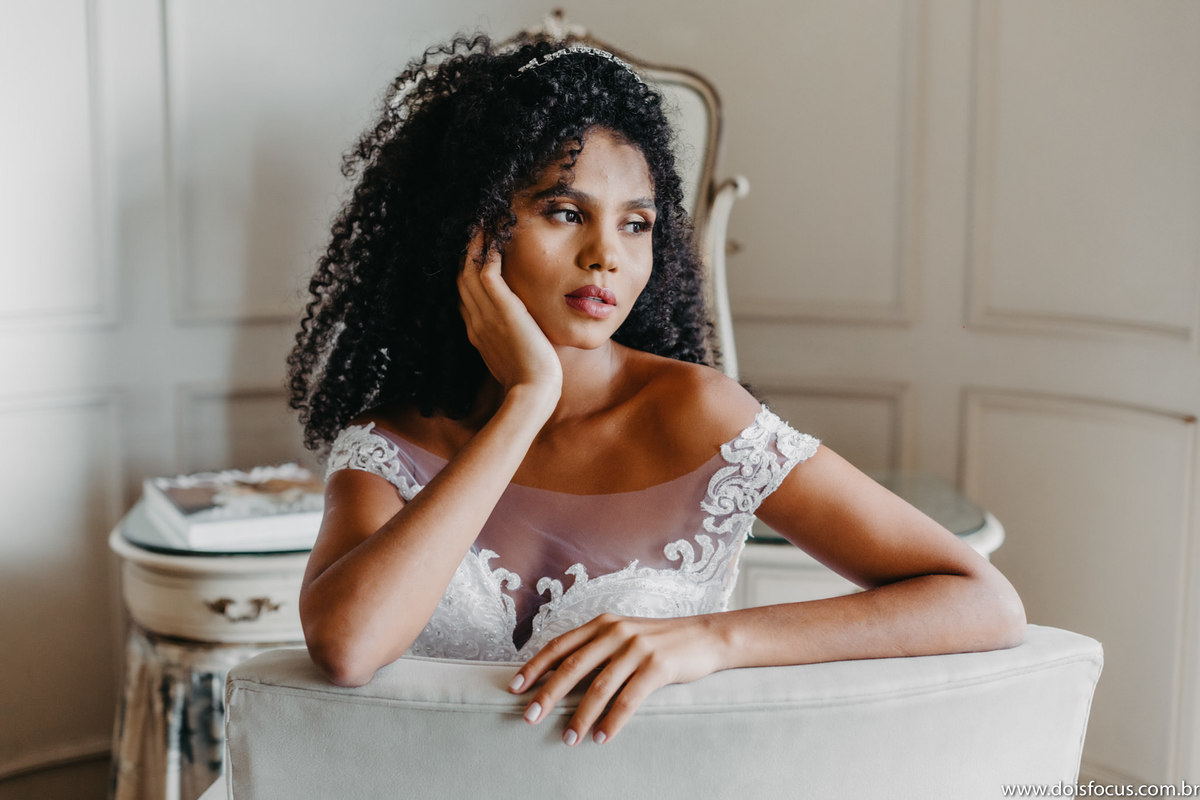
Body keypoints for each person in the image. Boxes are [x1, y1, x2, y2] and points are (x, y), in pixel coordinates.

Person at [287, 34, 1025, 749]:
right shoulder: (389, 443)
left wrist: (712, 640)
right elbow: (349, 646)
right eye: (566, 212)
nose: (606, 255)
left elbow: (983, 601)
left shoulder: (697, 416)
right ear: (472, 232)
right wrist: (527, 402)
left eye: (636, 224)